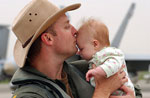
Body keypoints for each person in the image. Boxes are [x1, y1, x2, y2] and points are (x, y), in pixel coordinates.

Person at [10, 0, 141, 98]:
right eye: (67, 27)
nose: (75, 31)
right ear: (48, 39)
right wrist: (102, 92)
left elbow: (134, 91)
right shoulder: (29, 95)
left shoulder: (85, 70)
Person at [77, 18, 135, 96]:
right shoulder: (96, 59)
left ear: (95, 44)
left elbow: (113, 64)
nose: (78, 52)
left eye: (81, 49)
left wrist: (97, 71)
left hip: (122, 93)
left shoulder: (109, 53)